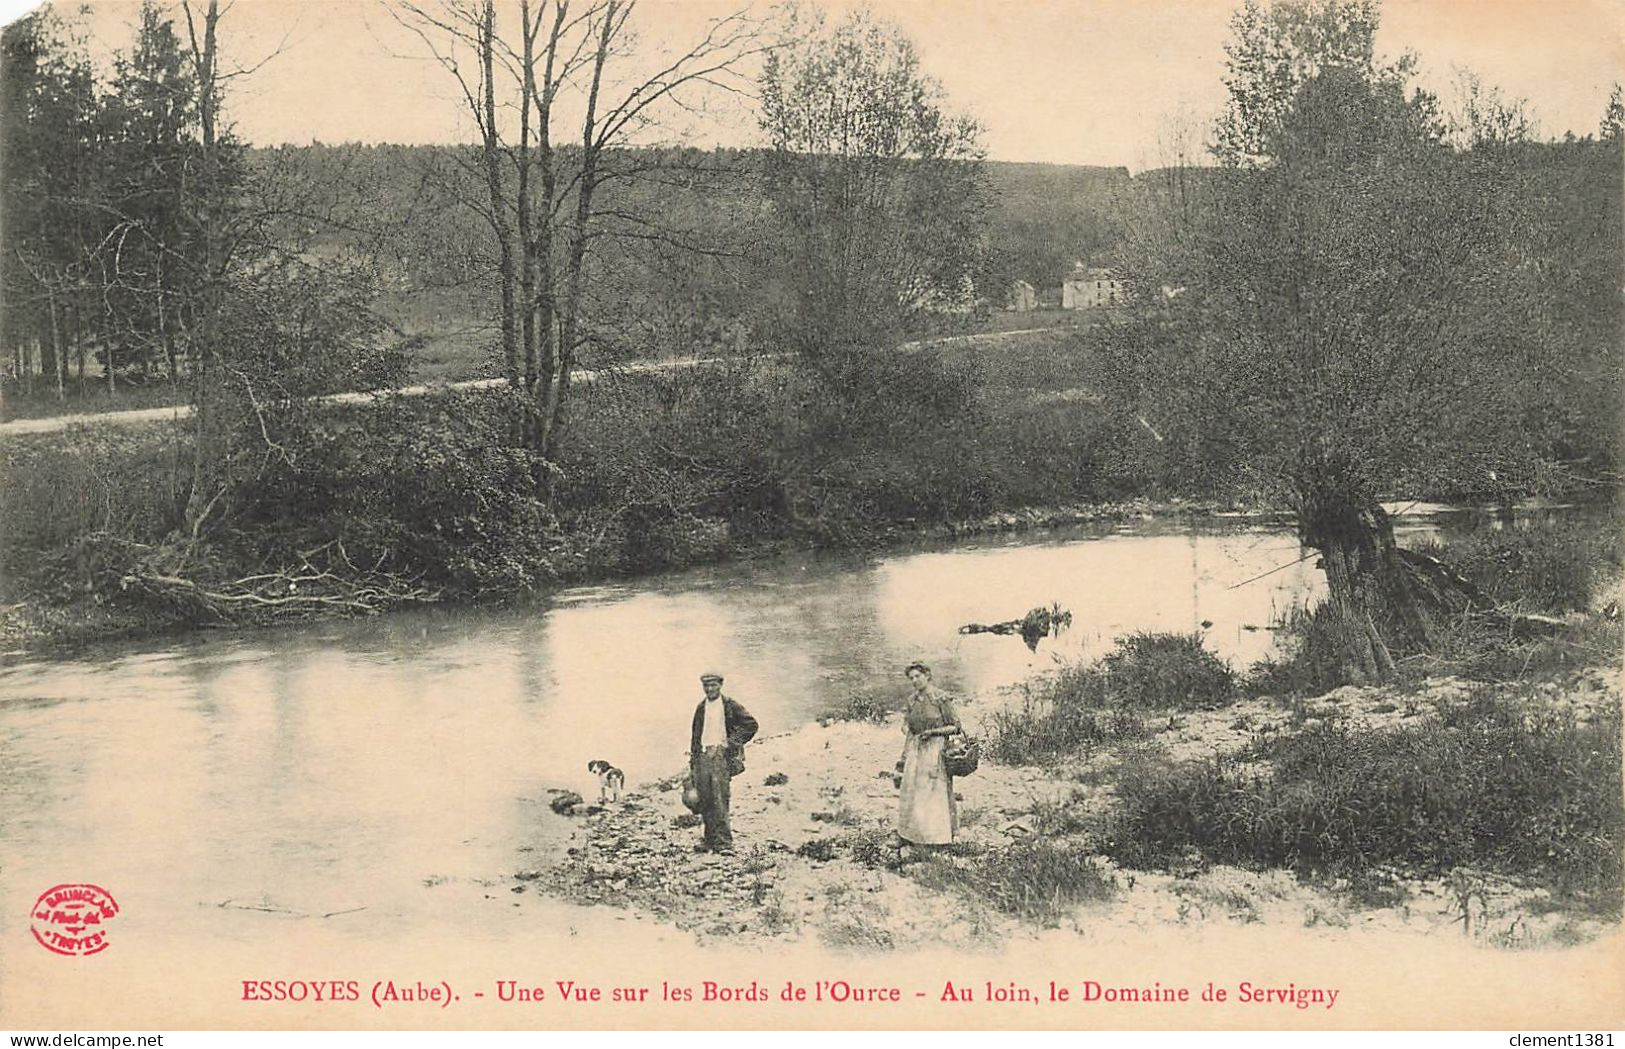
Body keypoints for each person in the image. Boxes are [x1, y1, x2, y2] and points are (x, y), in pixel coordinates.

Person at [688, 670, 758, 855]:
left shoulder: (729, 705)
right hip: (703, 756)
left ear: (720, 685)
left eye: (713, 685)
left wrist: (732, 743)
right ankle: (709, 840)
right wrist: (693, 761)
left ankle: (725, 843)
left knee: (720, 798)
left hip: (720, 756)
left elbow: (751, 725)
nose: (709, 689)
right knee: (705, 799)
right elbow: (695, 735)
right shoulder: (701, 707)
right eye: (706, 686)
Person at [897, 661, 963, 847]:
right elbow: (907, 725)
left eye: (918, 676)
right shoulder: (912, 701)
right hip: (917, 749)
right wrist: (907, 732)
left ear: (927, 675)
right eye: (911, 678)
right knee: (912, 790)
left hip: (937, 748)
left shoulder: (940, 698)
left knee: (937, 792)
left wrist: (933, 733)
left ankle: (939, 837)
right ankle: (913, 834)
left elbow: (956, 727)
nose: (915, 681)